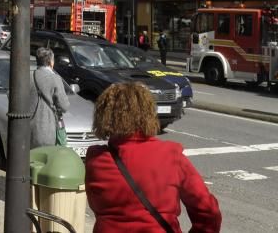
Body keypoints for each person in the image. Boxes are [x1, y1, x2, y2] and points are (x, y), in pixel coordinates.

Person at [86, 83, 221, 232]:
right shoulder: (171, 156)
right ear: (148, 114)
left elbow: (97, 206)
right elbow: (208, 212)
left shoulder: (96, 159)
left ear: (104, 115)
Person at [31, 47, 69, 147]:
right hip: (47, 129)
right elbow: (64, 106)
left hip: (28, 129)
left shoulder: (29, 75)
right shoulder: (55, 78)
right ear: (50, 62)